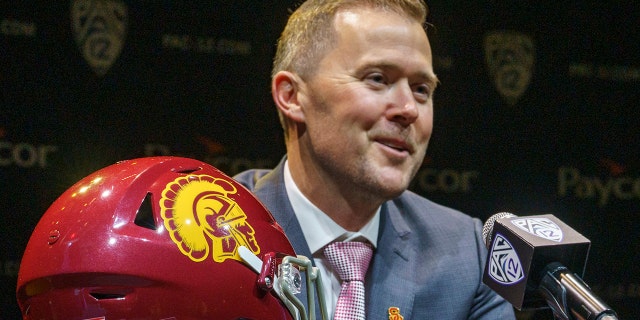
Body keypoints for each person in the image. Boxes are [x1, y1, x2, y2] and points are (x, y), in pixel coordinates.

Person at [234, 0, 516, 319]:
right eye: (378, 79)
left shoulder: (464, 255)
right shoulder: (210, 234)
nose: (409, 109)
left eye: (422, 89)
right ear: (293, 97)